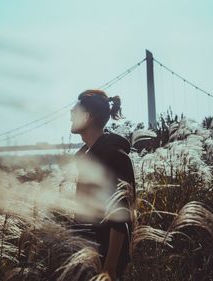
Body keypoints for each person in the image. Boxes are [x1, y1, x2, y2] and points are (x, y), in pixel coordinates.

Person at [69, 89, 136, 280]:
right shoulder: (87, 158)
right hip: (86, 258)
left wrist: (110, 267)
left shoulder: (114, 156)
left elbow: (120, 216)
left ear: (88, 117)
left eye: (75, 112)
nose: (70, 116)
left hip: (104, 261)